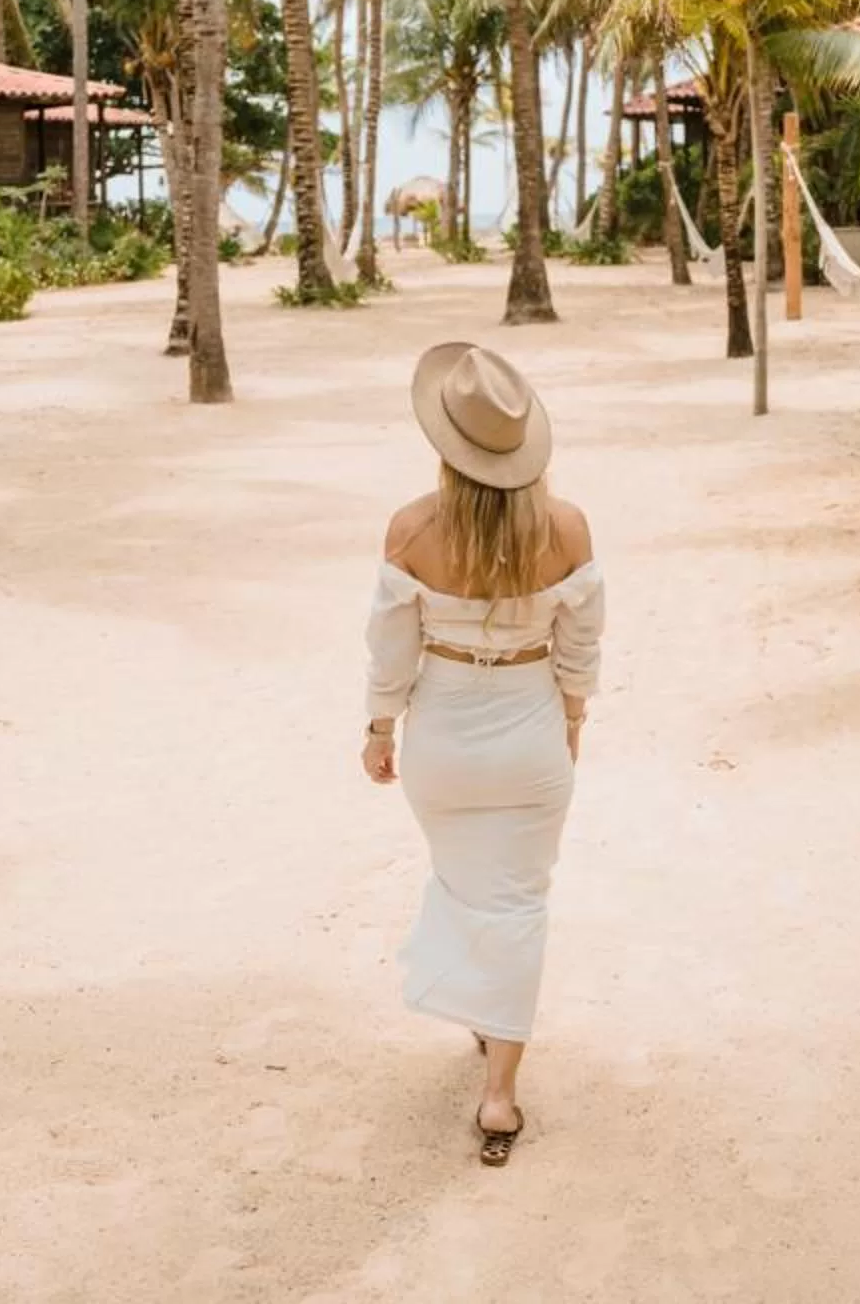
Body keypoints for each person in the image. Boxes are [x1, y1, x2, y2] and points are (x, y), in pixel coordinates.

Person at [361, 342, 604, 1167]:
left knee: (469, 884)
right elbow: (581, 644)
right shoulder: (566, 526)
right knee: (519, 900)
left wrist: (379, 726)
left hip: (444, 738)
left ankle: (485, 1012)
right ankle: (500, 1095)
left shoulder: (411, 529)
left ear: (445, 444)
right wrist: (571, 722)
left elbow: (390, 648)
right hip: (530, 725)